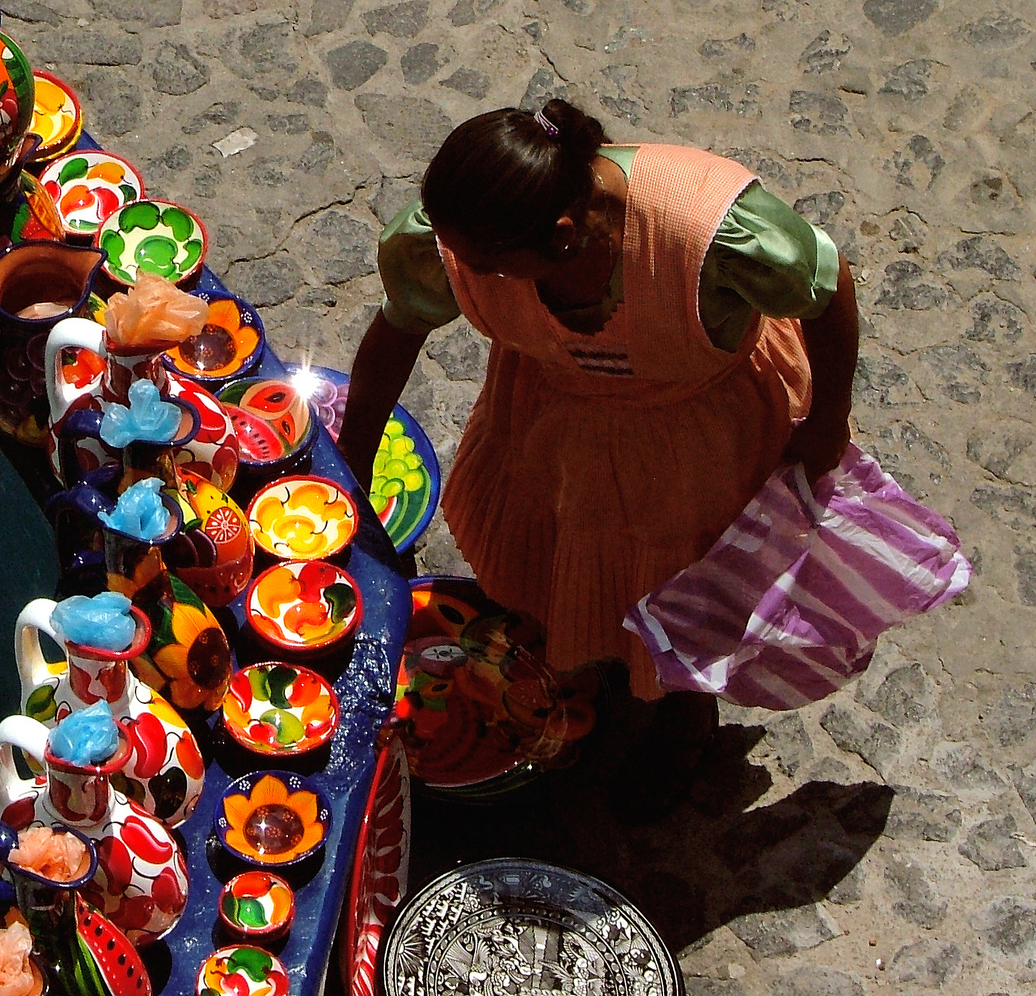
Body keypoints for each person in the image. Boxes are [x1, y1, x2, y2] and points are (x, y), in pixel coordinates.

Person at [337, 100, 858, 819]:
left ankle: (679, 720)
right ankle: (599, 653)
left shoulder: (715, 239)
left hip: (695, 443)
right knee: (563, 559)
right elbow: (399, 329)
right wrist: (348, 472)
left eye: (485, 266)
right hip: (552, 425)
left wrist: (827, 422)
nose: (462, 273)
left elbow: (828, 294)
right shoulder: (464, 236)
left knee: (687, 591)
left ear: (561, 239)